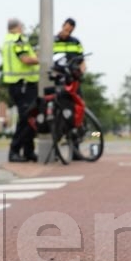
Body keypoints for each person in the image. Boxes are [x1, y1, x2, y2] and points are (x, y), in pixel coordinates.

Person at [2, 17, 39, 162]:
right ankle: (14, 151)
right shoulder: (18, 39)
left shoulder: (7, 40)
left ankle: (28, 151)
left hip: (18, 84)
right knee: (25, 119)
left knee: (29, 118)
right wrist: (43, 58)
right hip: (23, 84)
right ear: (16, 27)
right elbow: (25, 59)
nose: (23, 29)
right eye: (22, 26)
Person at [53, 17, 87, 158]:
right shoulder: (52, 41)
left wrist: (82, 72)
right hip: (58, 82)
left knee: (77, 113)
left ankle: (75, 149)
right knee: (57, 115)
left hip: (73, 81)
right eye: (66, 29)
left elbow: (82, 60)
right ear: (62, 26)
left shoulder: (76, 42)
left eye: (70, 30)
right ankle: (56, 150)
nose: (67, 32)